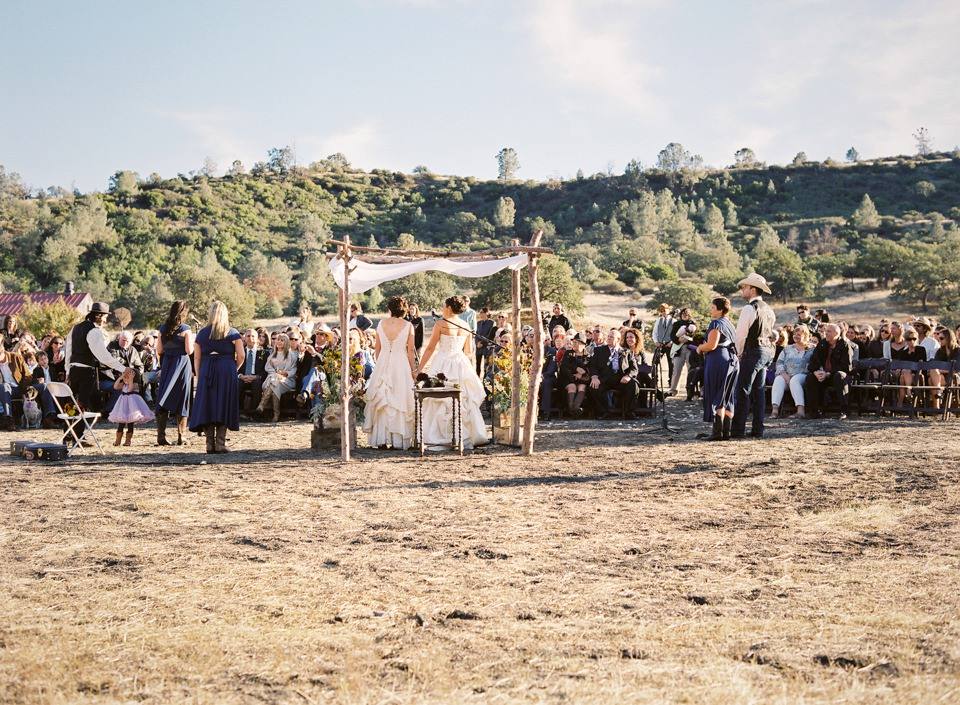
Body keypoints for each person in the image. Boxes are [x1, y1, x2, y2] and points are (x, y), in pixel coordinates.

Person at [418, 295, 488, 449]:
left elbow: (430, 348)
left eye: (444, 306)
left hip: (443, 361)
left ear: (449, 308)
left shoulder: (441, 324)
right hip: (460, 362)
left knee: (438, 398)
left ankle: (440, 437)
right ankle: (466, 435)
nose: (442, 308)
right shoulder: (465, 325)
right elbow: (469, 351)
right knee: (464, 399)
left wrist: (420, 368)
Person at [188, 301, 244, 453]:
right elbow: (241, 355)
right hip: (226, 369)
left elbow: (197, 358)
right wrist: (233, 369)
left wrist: (199, 374)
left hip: (206, 369)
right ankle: (220, 443)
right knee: (223, 404)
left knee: (208, 404)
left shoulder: (202, 334)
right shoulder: (233, 333)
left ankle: (209, 444)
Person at [363, 296, 417, 449]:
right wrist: (413, 370)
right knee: (400, 398)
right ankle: (397, 441)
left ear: (390, 308)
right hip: (401, 363)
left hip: (383, 362)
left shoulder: (381, 324)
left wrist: (380, 364)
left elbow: (377, 349)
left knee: (382, 399)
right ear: (404, 309)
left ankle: (381, 439)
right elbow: (411, 351)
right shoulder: (408, 325)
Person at [64, 302, 131, 416]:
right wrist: (123, 369)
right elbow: (103, 356)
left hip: (73, 371)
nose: (105, 320)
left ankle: (71, 427)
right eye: (105, 317)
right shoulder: (94, 331)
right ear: (98, 316)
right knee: (82, 406)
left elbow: (68, 352)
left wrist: (68, 371)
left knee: (72, 406)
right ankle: (79, 428)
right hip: (86, 373)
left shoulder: (75, 328)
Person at [731, 274, 777, 439]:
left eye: (744, 287)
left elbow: (741, 335)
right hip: (766, 351)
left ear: (752, 289)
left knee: (743, 390)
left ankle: (738, 430)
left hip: (753, 351)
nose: (742, 290)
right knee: (759, 391)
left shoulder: (749, 308)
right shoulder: (769, 309)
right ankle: (758, 429)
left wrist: (739, 352)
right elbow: (772, 332)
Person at [696, 297, 738, 440]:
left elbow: (711, 345)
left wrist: (700, 348)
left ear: (720, 310)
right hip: (732, 360)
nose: (711, 310)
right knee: (728, 396)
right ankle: (726, 432)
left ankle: (717, 433)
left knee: (717, 393)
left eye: (713, 307)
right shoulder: (729, 323)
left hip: (718, 359)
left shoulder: (716, 323)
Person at [155, 301, 195, 446]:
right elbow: (189, 350)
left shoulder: (162, 329)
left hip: (167, 364)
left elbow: (159, 350)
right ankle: (181, 436)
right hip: (182, 364)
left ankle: (161, 436)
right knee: (182, 397)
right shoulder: (186, 329)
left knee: (164, 395)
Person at [803, 323, 855, 419]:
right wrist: (816, 372)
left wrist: (828, 373)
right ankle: (814, 411)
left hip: (837, 376)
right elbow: (813, 362)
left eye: (828, 331)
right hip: (824, 375)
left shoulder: (845, 345)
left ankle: (844, 411)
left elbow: (846, 367)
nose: (825, 333)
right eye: (826, 331)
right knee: (810, 378)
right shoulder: (822, 344)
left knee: (839, 376)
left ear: (836, 334)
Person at [588, 328, 641, 419]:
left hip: (621, 379)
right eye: (608, 336)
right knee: (594, 386)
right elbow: (592, 365)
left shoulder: (626, 352)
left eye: (611, 337)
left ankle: (629, 412)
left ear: (618, 339)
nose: (608, 338)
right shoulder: (599, 350)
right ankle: (604, 412)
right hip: (604, 379)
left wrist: (628, 376)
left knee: (633, 385)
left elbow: (634, 368)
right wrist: (594, 377)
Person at [770, 324, 813, 419]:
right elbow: (779, 362)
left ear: (805, 336)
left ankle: (800, 411)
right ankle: (775, 410)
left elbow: (814, 364)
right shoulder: (787, 349)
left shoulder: (811, 349)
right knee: (778, 379)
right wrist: (784, 374)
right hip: (787, 375)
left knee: (795, 380)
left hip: (803, 375)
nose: (795, 336)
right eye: (794, 334)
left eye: (799, 334)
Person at [256, 333, 298, 422]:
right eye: (278, 340)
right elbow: (268, 367)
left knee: (274, 383)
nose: (279, 342)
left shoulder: (291, 355)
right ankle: (276, 414)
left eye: (282, 340)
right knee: (275, 385)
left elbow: (294, 369)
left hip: (287, 380)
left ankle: (262, 404)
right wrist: (275, 373)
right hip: (274, 378)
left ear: (286, 343)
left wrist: (285, 373)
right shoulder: (272, 354)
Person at [108, 367, 155, 446]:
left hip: (132, 406)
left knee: (130, 423)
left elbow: (130, 389)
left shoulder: (135, 384)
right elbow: (115, 387)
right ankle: (118, 440)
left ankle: (128, 440)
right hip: (123, 405)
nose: (125, 375)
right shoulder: (123, 384)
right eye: (124, 373)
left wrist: (130, 380)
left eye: (127, 374)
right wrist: (120, 378)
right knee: (121, 423)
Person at [0, 346, 32, 430]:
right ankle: (9, 419)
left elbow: (28, 375)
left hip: (19, 388)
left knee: (4, 386)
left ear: (3, 351)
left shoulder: (15, 357)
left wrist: (23, 389)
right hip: (4, 390)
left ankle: (50, 417)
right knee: (4, 386)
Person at [238, 328, 268, 415]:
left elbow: (266, 370)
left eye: (253, 336)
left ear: (257, 339)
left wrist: (256, 376)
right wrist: (240, 376)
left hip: (256, 378)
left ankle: (255, 413)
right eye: (248, 336)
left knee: (257, 383)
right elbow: (234, 368)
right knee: (237, 383)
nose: (250, 338)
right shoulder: (240, 352)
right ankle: (239, 412)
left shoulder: (264, 353)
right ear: (244, 338)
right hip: (242, 378)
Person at [559, 332, 591, 416]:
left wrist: (582, 375)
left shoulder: (588, 356)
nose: (574, 344)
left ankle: (574, 409)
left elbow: (588, 370)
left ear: (583, 345)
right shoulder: (568, 353)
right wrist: (575, 370)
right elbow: (564, 367)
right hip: (568, 378)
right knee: (572, 386)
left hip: (582, 380)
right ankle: (574, 409)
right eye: (573, 342)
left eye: (576, 342)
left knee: (582, 387)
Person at [668, 308, 696, 396]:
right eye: (683, 313)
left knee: (691, 370)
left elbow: (696, 337)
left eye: (686, 314)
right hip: (678, 349)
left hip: (690, 349)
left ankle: (690, 391)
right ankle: (673, 390)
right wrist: (678, 340)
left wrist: (689, 339)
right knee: (676, 370)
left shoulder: (693, 324)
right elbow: (672, 336)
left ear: (689, 315)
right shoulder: (676, 324)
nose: (684, 315)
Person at [651, 304, 675, 383]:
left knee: (671, 363)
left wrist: (671, 342)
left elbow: (676, 334)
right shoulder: (658, 320)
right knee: (654, 362)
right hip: (660, 344)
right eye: (661, 311)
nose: (663, 312)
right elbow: (655, 332)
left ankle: (671, 381)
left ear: (668, 310)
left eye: (664, 310)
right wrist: (656, 342)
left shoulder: (673, 321)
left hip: (669, 344)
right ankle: (654, 380)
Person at [475, 308, 496, 376]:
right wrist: (477, 343)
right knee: (477, 365)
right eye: (480, 312)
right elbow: (476, 334)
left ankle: (485, 380)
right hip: (478, 347)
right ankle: (477, 378)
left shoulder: (492, 323)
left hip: (486, 346)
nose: (480, 314)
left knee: (486, 365)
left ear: (486, 313)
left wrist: (482, 343)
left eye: (481, 312)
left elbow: (490, 335)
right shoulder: (478, 323)